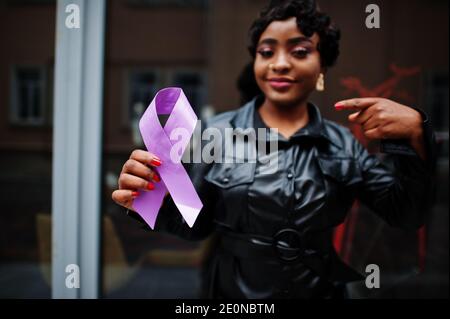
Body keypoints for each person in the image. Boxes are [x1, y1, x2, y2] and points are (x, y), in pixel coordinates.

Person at [112, 0, 436, 298]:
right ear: (256, 62)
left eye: (299, 52)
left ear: (322, 68)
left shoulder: (343, 145)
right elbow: (195, 226)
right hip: (236, 295)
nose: (280, 64)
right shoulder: (214, 135)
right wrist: (147, 200)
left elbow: (405, 214)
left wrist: (417, 137)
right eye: (267, 52)